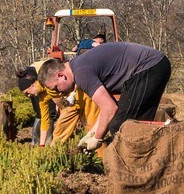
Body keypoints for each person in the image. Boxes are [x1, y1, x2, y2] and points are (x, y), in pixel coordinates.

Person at [39, 40, 171, 151]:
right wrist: (92, 133)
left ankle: (160, 148)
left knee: (122, 126)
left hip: (149, 67)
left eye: (56, 88)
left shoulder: (81, 74)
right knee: (129, 124)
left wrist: (97, 138)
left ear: (61, 75)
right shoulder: (79, 67)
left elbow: (110, 108)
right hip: (153, 65)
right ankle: (160, 148)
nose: (59, 93)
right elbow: (106, 108)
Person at [16, 64, 58, 146]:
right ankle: (39, 142)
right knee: (41, 113)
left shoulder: (49, 81)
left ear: (32, 85)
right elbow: (44, 118)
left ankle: (48, 142)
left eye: (27, 93)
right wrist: (42, 145)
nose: (28, 96)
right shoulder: (41, 96)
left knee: (52, 114)